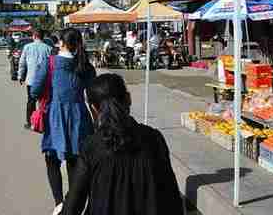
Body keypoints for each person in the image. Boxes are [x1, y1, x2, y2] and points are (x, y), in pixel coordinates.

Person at [60, 73, 182, 215]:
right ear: (128, 99)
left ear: (93, 109)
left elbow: (73, 206)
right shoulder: (154, 139)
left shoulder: (91, 146)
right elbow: (172, 196)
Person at [30, 29, 95, 214]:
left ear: (62, 43)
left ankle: (59, 202)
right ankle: (72, 203)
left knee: (52, 159)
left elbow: (34, 90)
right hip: (80, 118)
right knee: (75, 161)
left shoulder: (51, 63)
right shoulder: (85, 65)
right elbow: (93, 93)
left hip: (55, 116)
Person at [18, 29, 52, 130]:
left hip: (31, 80)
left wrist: (20, 76)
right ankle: (44, 122)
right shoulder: (48, 48)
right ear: (43, 37)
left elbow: (22, 63)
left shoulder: (27, 47)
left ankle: (30, 123)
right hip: (44, 80)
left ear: (34, 36)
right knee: (44, 102)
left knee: (31, 101)